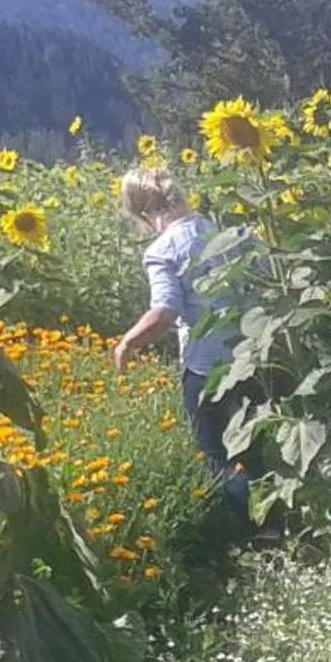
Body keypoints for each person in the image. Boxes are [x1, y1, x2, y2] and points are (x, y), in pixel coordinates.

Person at [111, 166, 251, 525]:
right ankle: (276, 528)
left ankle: (241, 538)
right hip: (254, 355)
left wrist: (129, 342)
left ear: (143, 212)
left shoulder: (164, 249)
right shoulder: (224, 231)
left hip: (207, 366)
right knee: (253, 448)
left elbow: (165, 312)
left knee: (216, 453)